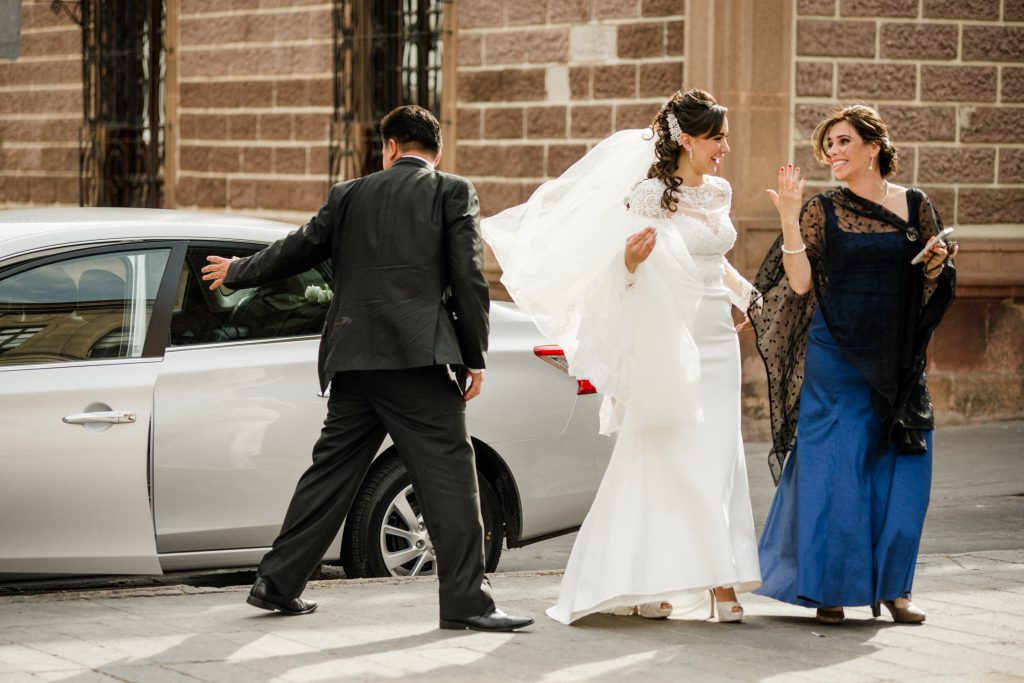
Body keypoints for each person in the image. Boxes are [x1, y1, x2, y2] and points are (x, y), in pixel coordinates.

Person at [201, 105, 532, 633]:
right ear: (435, 152)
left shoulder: (348, 195)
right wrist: (474, 356)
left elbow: (297, 248)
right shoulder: (452, 191)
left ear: (391, 147)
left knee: (329, 474)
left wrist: (238, 270)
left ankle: (277, 583)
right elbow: (469, 279)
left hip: (353, 362)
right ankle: (468, 601)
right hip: (417, 362)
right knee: (450, 476)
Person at [483, 89, 762, 625]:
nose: (725, 147)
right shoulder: (650, 194)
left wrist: (749, 295)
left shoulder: (720, 190)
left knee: (719, 455)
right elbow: (617, 272)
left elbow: (715, 258)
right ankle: (643, 579)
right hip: (667, 332)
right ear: (687, 138)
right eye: (717, 137)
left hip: (716, 337)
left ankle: (720, 581)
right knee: (662, 451)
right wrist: (631, 265)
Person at [750, 105, 956, 625]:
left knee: (903, 469)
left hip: (897, 358)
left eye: (844, 142)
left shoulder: (915, 204)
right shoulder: (823, 209)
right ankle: (830, 588)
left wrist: (938, 262)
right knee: (835, 469)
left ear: (873, 146)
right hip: (836, 357)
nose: (834, 154)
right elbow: (798, 282)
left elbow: (935, 278)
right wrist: (788, 216)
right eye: (829, 146)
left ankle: (895, 590)